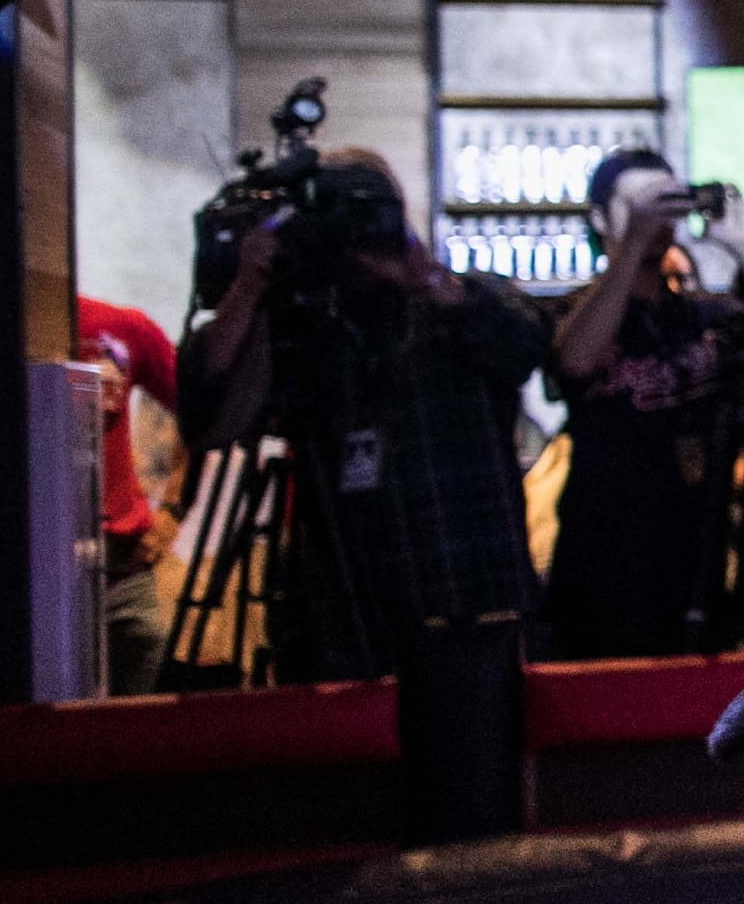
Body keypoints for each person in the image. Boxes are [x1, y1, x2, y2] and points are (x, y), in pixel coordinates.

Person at [185, 151, 550, 840]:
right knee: (361, 822)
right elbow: (207, 418)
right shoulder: (304, 327)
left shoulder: (460, 302)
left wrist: (425, 278)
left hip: (467, 597)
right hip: (348, 609)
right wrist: (248, 288)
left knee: (477, 816)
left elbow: (527, 345)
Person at [545, 150, 744, 658]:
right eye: (640, 204)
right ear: (599, 218)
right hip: (604, 564)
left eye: (666, 202)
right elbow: (576, 363)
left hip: (695, 561)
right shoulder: (573, 311)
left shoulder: (700, 314)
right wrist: (630, 248)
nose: (657, 218)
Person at [75, 294, 183, 694]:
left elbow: (203, 407)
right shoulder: (9, 331)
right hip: (47, 563)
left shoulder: (119, 325)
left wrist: (173, 508)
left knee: (148, 661)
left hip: (125, 562)